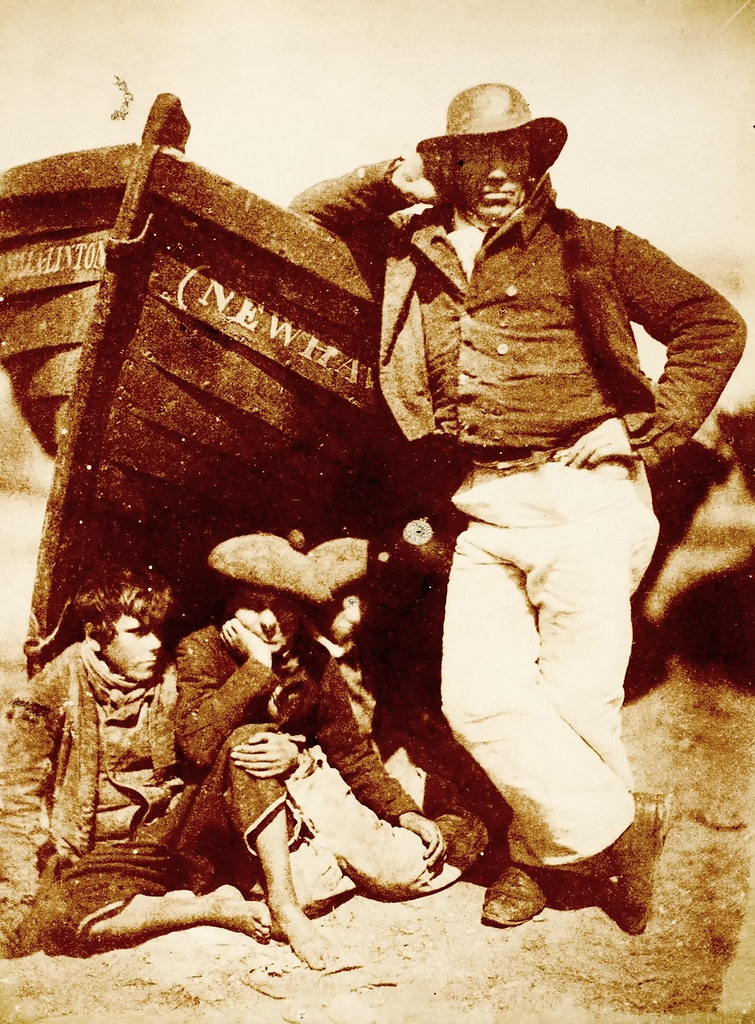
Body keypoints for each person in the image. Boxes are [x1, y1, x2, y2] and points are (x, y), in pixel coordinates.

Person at [289, 83, 747, 933]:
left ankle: (541, 865)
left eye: (514, 154)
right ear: (447, 165)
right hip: (484, 503)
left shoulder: (591, 247)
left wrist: (641, 431)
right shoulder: (407, 245)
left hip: (586, 500)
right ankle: (617, 829)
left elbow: (710, 324)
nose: (498, 172)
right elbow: (305, 217)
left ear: (535, 161)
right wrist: (392, 178)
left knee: (577, 700)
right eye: (476, 156)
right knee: (479, 701)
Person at [174, 533, 487, 970]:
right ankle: (295, 895)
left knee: (403, 871)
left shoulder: (313, 659)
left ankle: (462, 821)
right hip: (232, 807)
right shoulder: (201, 648)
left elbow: (351, 751)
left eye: (283, 606)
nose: (269, 621)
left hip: (305, 784)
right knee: (308, 885)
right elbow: (195, 746)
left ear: (301, 611)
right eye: (253, 604)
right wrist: (256, 668)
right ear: (229, 606)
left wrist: (403, 813)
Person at [11, 567, 271, 956]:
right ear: (95, 636)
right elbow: (15, 795)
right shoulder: (54, 687)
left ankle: (187, 894)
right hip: (100, 852)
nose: (154, 644)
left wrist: (261, 679)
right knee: (57, 922)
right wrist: (15, 895)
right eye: (137, 633)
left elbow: (225, 728)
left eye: (157, 630)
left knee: (243, 746)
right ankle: (204, 910)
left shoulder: (174, 672)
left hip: (172, 830)